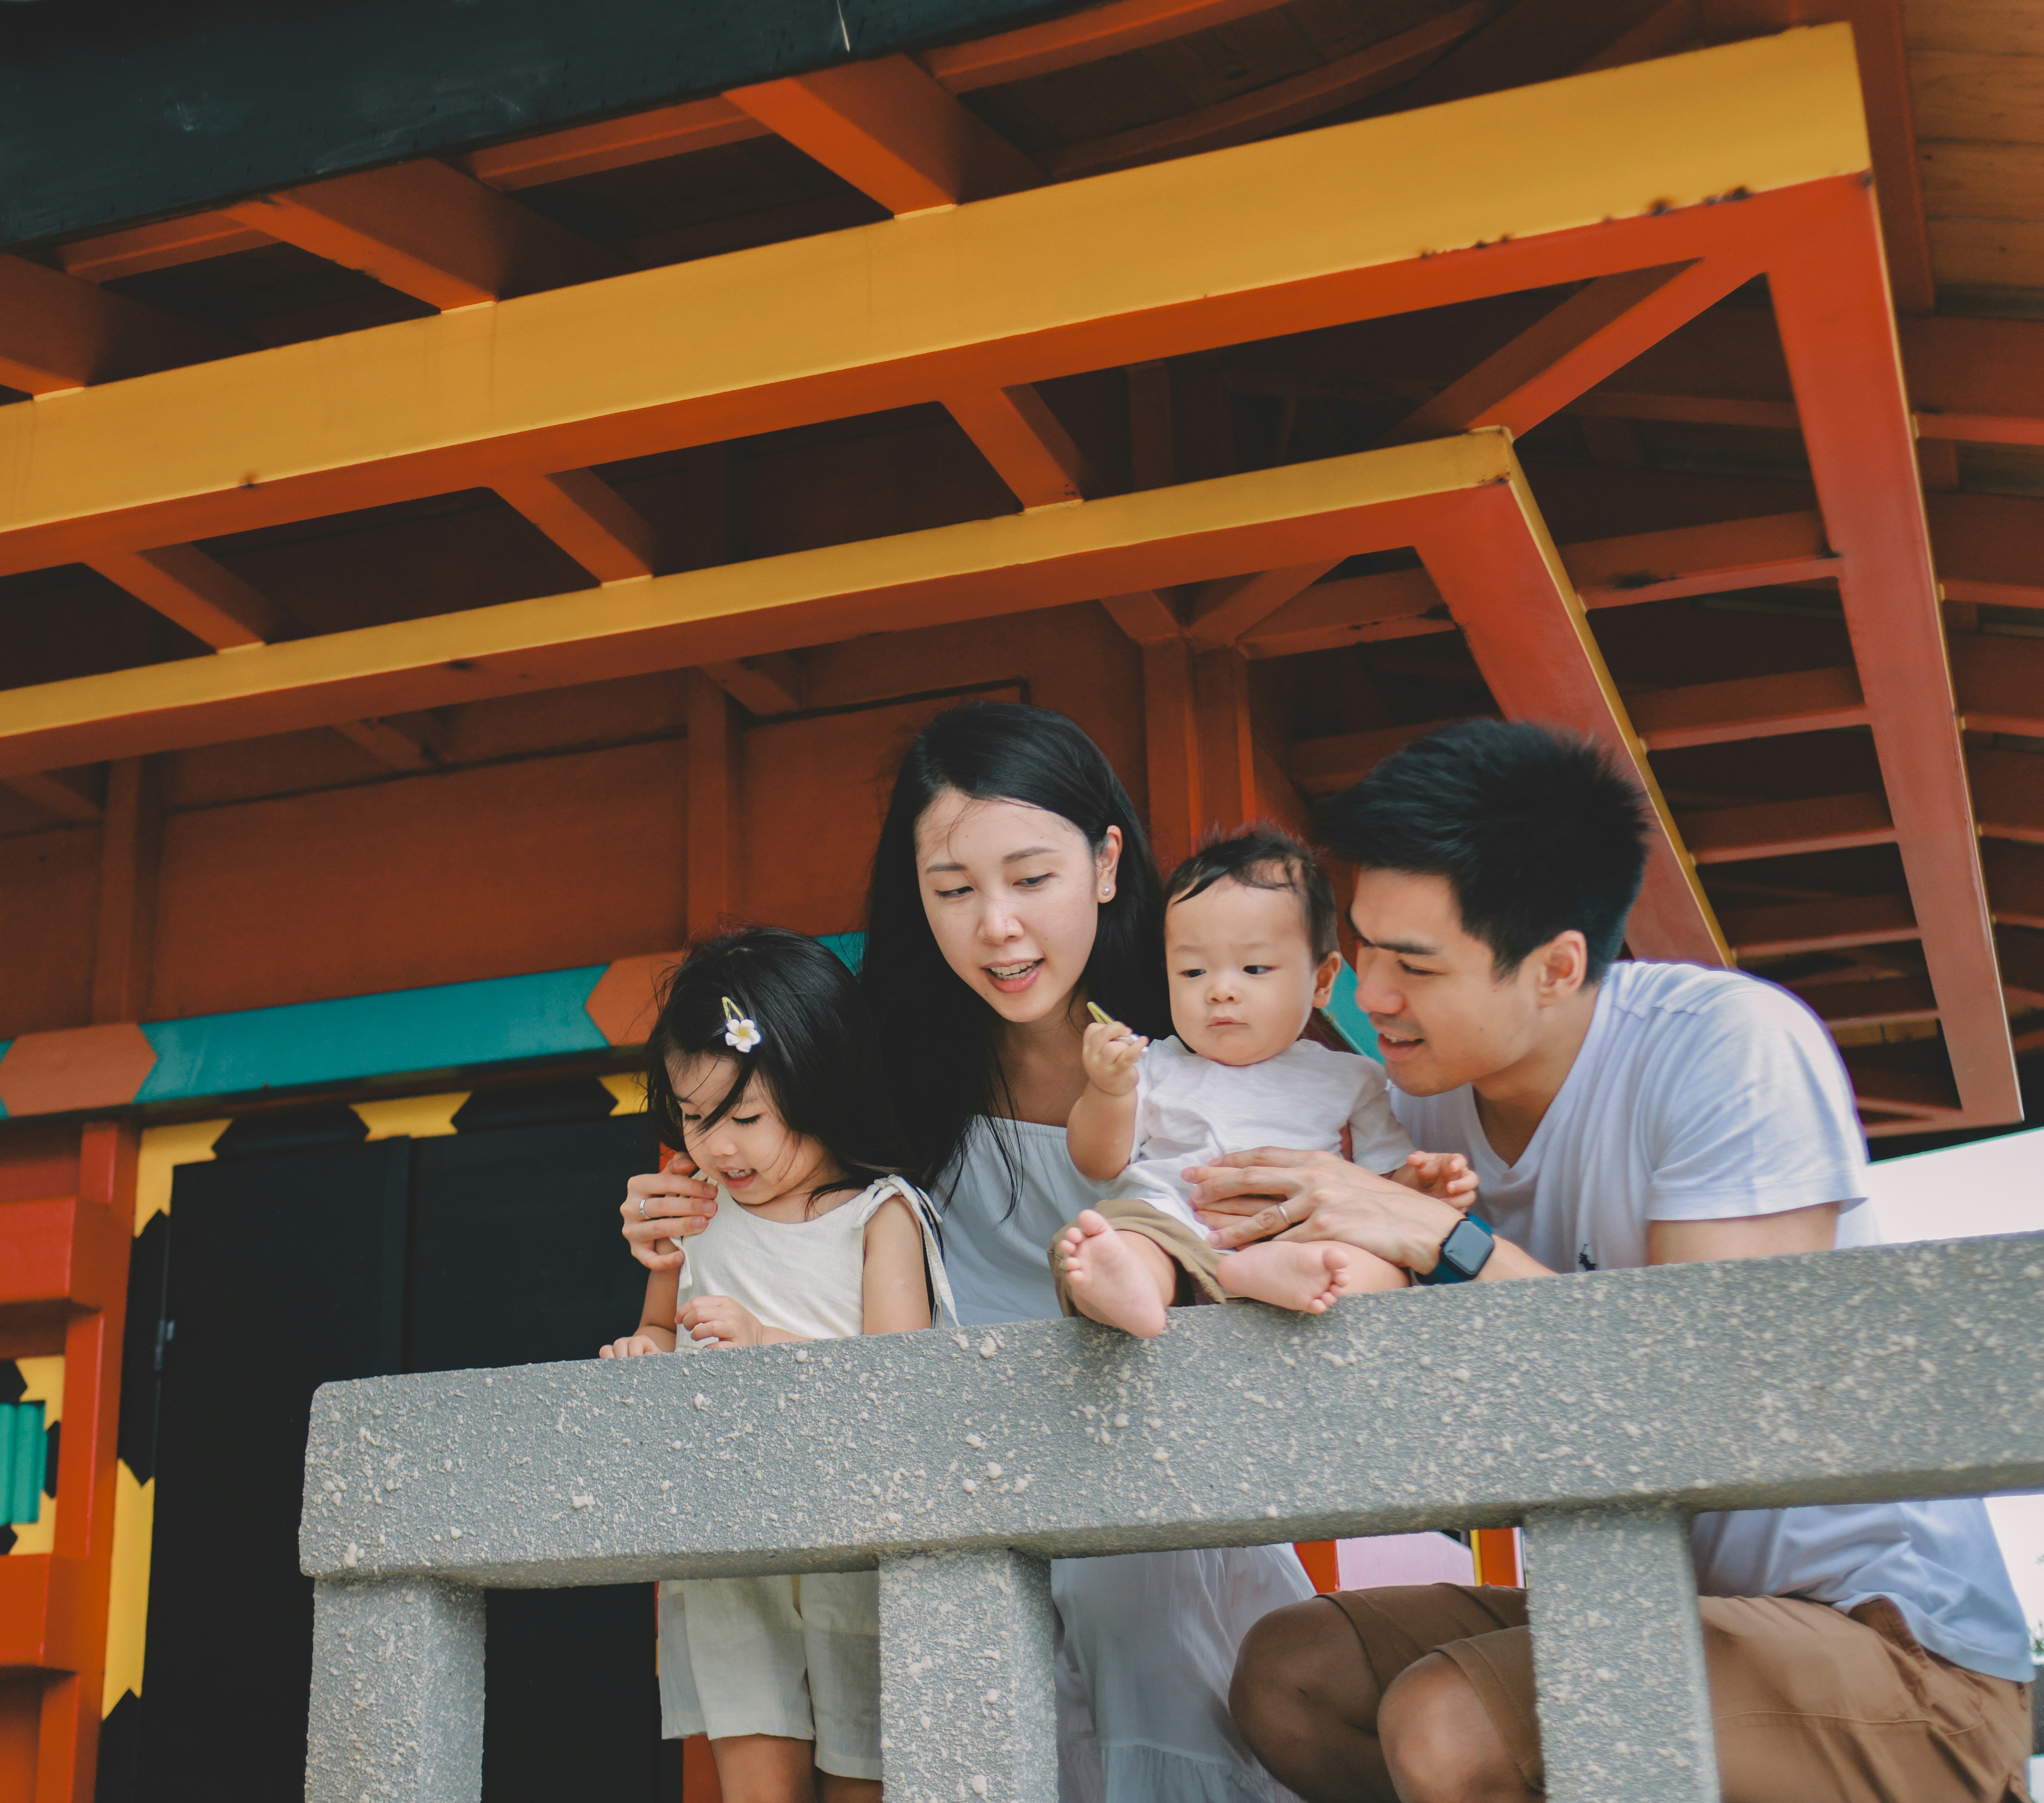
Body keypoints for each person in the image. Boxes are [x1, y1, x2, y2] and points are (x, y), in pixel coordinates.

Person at [1191, 721, 2033, 1803]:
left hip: (1892, 1651)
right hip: (1652, 1604)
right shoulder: (1406, 1102)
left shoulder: (1726, 1050)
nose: (1373, 994)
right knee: (1295, 1675)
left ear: (1555, 967)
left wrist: (1443, 1243)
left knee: (1452, 1722)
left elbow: (1706, 1412)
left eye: (1415, 965)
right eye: (1359, 947)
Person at [622, 703, 1310, 1803]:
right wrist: (681, 1223)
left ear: (1106, 862)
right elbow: (784, 1211)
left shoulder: (1211, 1043)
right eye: (953, 891)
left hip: (1158, 1532)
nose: (996, 926)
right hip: (955, 1520)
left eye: (1030, 878)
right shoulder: (888, 1079)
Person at [599, 928, 944, 1803]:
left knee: (867, 1779)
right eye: (692, 1114)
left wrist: (766, 1349)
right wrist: (647, 1349)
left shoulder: (880, 1214)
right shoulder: (694, 1211)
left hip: (854, 1551)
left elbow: (896, 1382)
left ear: (819, 1080)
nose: (717, 1145)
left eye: (743, 1116)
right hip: (729, 1547)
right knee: (755, 1784)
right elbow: (661, 1326)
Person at [1052, 827, 1473, 1336]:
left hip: (1303, 1234)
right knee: (1119, 1239)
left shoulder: (1351, 1077)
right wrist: (1108, 1091)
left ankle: (1270, 1274)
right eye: (1192, 972)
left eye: (1254, 968)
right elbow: (1097, 1162)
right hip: (1175, 1224)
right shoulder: (1153, 1066)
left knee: (1381, 1268)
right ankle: (1133, 1288)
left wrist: (1420, 1185)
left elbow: (1379, 1189)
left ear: (1321, 981)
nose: (1221, 991)